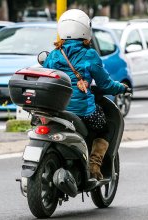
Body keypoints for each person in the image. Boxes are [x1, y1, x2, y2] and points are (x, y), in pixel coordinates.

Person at [43, 9, 130, 180]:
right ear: (85, 30)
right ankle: (95, 165)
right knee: (104, 130)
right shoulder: (89, 55)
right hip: (83, 110)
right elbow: (105, 84)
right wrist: (121, 88)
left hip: (56, 110)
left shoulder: (53, 55)